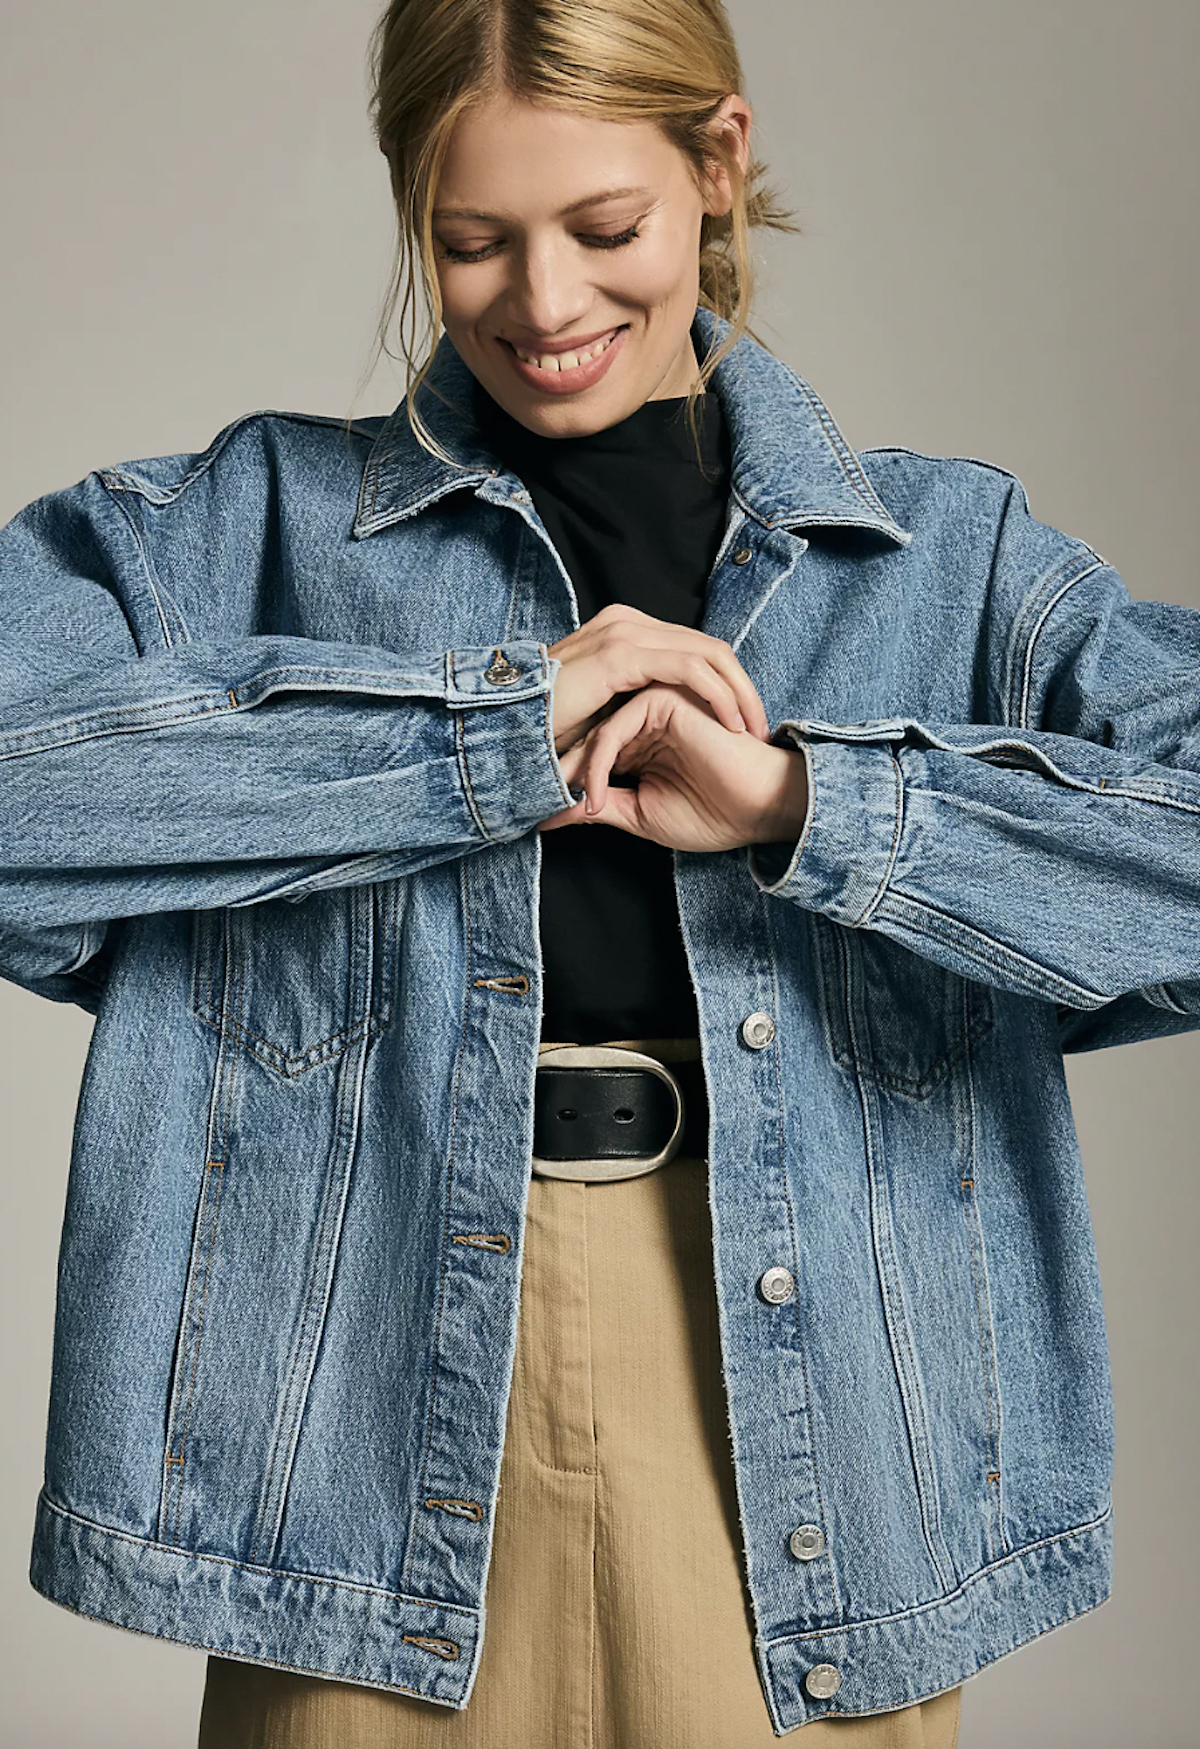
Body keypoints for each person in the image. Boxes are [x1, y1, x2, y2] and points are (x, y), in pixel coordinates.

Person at [4, 0, 1198, 1745]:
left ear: (717, 165)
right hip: (346, 1417)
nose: (543, 307)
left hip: (809, 1431)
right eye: (471, 241)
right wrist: (471, 743)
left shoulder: (948, 563)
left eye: (604, 230)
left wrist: (811, 808)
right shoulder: (238, 534)